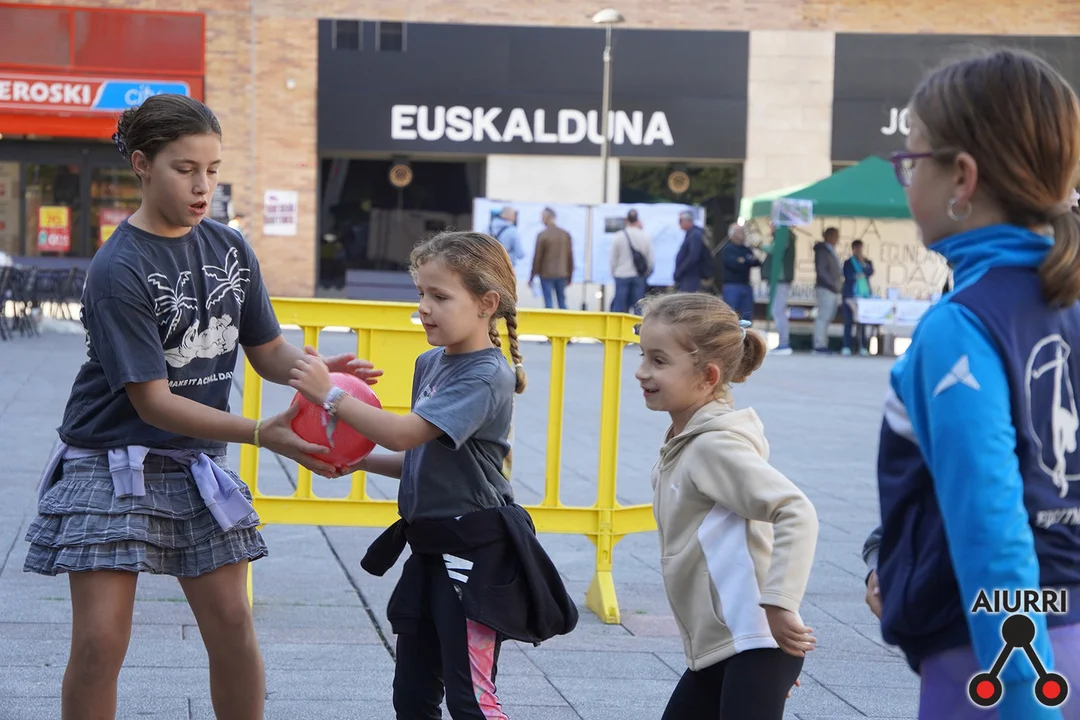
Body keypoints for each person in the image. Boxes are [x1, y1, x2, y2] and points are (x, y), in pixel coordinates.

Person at [22, 94, 382, 720]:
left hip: (193, 465)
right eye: (185, 169)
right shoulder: (118, 267)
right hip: (107, 462)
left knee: (233, 627)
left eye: (212, 170)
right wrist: (261, 433)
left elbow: (266, 350)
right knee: (100, 641)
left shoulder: (229, 248)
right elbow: (154, 403)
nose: (202, 186)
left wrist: (314, 374)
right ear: (142, 164)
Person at [288, 231, 578, 719]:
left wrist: (331, 396)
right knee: (412, 696)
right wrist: (357, 461)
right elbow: (421, 456)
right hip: (428, 547)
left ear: (487, 303)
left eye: (440, 296)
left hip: (474, 554)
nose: (424, 307)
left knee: (471, 699)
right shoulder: (431, 363)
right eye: (420, 293)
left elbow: (403, 434)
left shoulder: (487, 374)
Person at [877, 48, 1080, 719]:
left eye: (911, 161)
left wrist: (1022, 692)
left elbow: (991, 525)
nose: (906, 180)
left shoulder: (959, 325)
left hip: (998, 664)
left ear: (961, 178)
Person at [634, 292, 819, 719]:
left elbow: (795, 509)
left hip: (753, 643)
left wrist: (779, 604)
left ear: (708, 375)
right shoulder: (686, 442)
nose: (642, 371)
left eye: (658, 361)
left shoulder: (711, 447)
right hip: (723, 648)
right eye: (642, 356)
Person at [610, 208, 654, 314]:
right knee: (638, 308)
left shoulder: (619, 236)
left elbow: (613, 259)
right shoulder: (645, 236)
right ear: (637, 220)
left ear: (626, 220)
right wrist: (646, 274)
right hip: (639, 275)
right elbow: (650, 259)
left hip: (621, 274)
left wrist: (614, 273)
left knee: (620, 308)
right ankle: (637, 325)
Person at [529, 207, 574, 310]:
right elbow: (570, 256)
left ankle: (549, 321)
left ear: (548, 217)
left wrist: (532, 276)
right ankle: (564, 319)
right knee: (562, 302)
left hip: (546, 274)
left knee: (548, 303)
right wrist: (570, 275)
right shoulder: (565, 234)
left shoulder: (542, 235)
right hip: (562, 273)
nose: (541, 220)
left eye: (542, 217)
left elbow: (537, 257)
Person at [719, 223, 761, 321]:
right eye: (740, 232)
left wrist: (743, 260)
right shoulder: (728, 249)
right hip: (732, 285)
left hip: (746, 285)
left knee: (747, 315)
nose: (743, 234)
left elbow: (756, 262)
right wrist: (747, 261)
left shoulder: (746, 249)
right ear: (733, 234)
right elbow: (734, 264)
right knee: (730, 314)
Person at [841, 239, 874, 356]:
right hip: (850, 295)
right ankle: (846, 346)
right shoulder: (848, 263)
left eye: (860, 248)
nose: (859, 251)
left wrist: (862, 263)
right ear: (853, 249)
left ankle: (863, 347)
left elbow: (870, 272)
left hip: (863, 296)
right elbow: (847, 275)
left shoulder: (867, 261)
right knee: (848, 321)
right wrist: (856, 275)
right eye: (857, 248)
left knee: (862, 322)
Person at [812, 227, 842, 354]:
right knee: (823, 316)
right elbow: (821, 270)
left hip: (832, 288)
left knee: (828, 316)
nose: (837, 239)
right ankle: (819, 344)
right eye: (835, 236)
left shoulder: (830, 250)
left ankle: (823, 343)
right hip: (826, 288)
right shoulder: (822, 251)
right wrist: (832, 284)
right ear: (828, 236)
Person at [673, 211, 711, 293]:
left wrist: (680, 271)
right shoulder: (691, 234)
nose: (679, 224)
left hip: (691, 276)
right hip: (689, 276)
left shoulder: (695, 235)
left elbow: (694, 256)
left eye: (680, 221)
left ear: (687, 221)